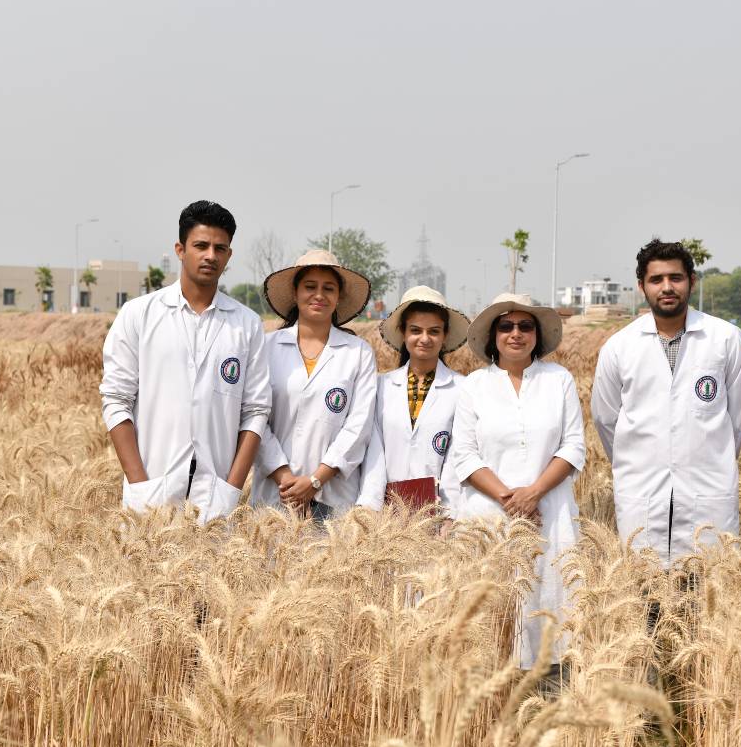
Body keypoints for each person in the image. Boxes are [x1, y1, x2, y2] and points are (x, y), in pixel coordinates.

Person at [100, 200, 270, 522]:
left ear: (229, 256)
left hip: (215, 498)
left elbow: (256, 411)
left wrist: (231, 488)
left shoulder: (246, 325)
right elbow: (116, 400)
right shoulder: (139, 315)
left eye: (220, 248)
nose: (211, 255)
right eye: (201, 246)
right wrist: (139, 484)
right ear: (180, 249)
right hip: (151, 491)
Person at [591, 238, 741, 567]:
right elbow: (606, 420)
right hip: (643, 494)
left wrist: (705, 457)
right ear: (642, 286)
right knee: (644, 600)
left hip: (708, 494)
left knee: (708, 595)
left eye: (675, 278)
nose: (667, 287)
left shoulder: (725, 339)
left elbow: (737, 419)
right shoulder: (619, 347)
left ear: (691, 281)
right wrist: (641, 461)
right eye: (656, 280)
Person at [450, 293, 586, 670]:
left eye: (525, 326)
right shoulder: (474, 385)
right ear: (493, 335)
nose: (516, 333)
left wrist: (535, 493)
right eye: (506, 326)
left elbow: (574, 445)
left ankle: (546, 698)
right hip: (490, 516)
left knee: (550, 610)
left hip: (551, 511)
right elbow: (464, 454)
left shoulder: (559, 380)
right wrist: (512, 500)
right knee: (494, 618)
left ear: (537, 335)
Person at [251, 250, 377, 519]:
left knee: (330, 560)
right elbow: (255, 417)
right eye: (310, 287)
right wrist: (285, 478)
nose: (319, 295)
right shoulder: (267, 347)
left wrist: (316, 480)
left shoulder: (358, 353)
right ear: (295, 293)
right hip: (276, 494)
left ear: (338, 297)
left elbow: (359, 426)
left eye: (328, 288)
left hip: (331, 498)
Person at [357, 286, 470, 512]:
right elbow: (374, 452)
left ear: (445, 335)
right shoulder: (382, 386)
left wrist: (448, 513)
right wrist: (370, 506)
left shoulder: (463, 388)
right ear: (403, 332)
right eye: (416, 330)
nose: (425, 339)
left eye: (434, 331)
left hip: (439, 511)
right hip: (387, 512)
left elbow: (458, 455)